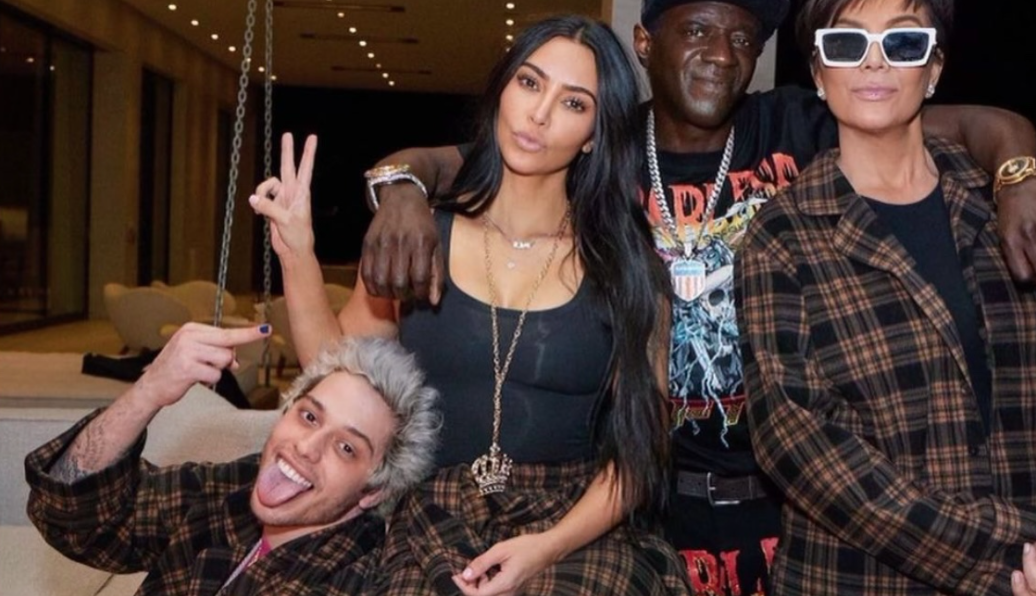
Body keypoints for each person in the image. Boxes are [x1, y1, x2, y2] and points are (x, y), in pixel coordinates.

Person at [355, 1, 1036, 593]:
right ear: (645, 42)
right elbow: (474, 155)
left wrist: (1018, 175)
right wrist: (401, 188)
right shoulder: (603, 141)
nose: (721, 54)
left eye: (743, 39)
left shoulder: (798, 123)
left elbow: (976, 124)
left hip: (786, 508)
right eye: (698, 30)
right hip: (647, 501)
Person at [250, 15, 690, 596]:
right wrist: (298, 253)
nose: (539, 114)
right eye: (529, 83)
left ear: (594, 133)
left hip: (572, 527)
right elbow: (338, 373)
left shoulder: (627, 268)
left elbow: (642, 451)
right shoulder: (420, 236)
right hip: (436, 516)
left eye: (573, 103)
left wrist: (547, 547)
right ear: (503, 89)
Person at [736, 0, 1036, 593]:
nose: (874, 62)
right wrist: (1014, 553)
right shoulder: (780, 235)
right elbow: (801, 447)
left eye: (902, 42)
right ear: (819, 73)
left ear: (934, 68)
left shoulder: (1002, 202)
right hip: (859, 579)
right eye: (847, 44)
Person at [26, 323, 441, 596]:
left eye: (346, 448)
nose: (307, 447)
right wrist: (149, 390)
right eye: (309, 416)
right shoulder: (227, 492)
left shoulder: (365, 577)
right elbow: (70, 516)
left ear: (372, 490)